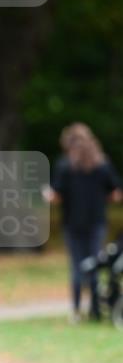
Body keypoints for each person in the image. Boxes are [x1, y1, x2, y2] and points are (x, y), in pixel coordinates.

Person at [49, 123, 122, 322]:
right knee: (95, 264)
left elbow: (56, 196)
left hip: (72, 223)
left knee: (77, 266)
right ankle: (96, 309)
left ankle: (76, 310)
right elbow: (116, 194)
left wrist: (49, 196)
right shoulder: (102, 165)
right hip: (97, 222)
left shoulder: (65, 166)